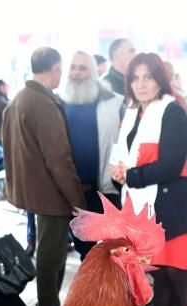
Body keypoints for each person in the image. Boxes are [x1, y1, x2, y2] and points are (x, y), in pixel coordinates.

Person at [111, 52, 187, 306]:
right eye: (135, 78)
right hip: (143, 210)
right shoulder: (132, 112)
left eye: (147, 78)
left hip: (173, 208)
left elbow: (173, 164)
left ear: (160, 80)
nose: (140, 84)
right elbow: (124, 153)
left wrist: (131, 176)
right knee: (159, 273)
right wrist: (118, 170)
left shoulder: (173, 110)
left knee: (179, 273)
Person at [1, 46, 85, 306]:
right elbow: (59, 158)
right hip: (51, 195)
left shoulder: (18, 99)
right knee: (51, 258)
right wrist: (77, 201)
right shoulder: (44, 103)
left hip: (30, 190)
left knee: (51, 255)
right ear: (55, 69)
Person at [61, 50, 124, 260]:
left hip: (107, 190)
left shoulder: (115, 103)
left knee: (113, 250)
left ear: (94, 72)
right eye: (73, 67)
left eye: (83, 68)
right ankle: (92, 292)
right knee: (85, 252)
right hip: (74, 192)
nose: (76, 73)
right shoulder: (58, 102)